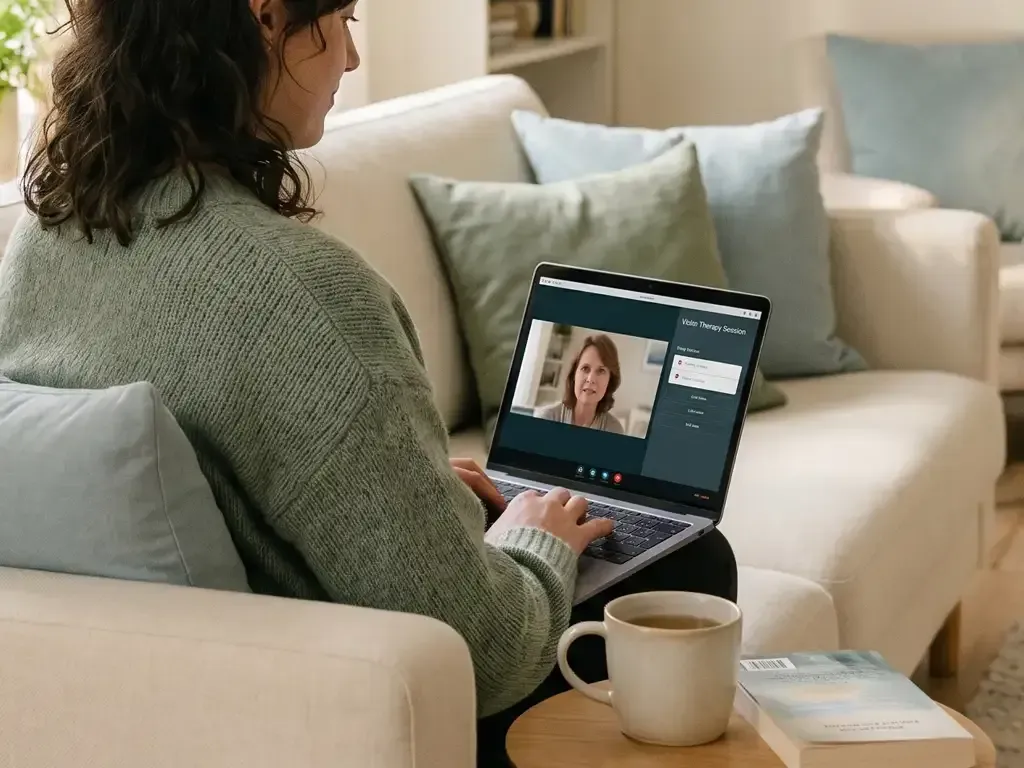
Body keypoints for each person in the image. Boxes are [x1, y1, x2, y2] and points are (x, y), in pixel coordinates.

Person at [0, 1, 738, 763]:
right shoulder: (303, 293)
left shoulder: (47, 233)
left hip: (151, 698)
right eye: (343, 19)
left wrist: (400, 487)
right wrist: (537, 544)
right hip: (335, 703)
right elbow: (482, 654)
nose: (351, 58)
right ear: (264, 19)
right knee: (692, 562)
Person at [535, 334, 626, 434]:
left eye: (601, 371)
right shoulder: (546, 418)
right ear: (574, 374)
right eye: (585, 368)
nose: (591, 379)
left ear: (610, 380)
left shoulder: (615, 430)